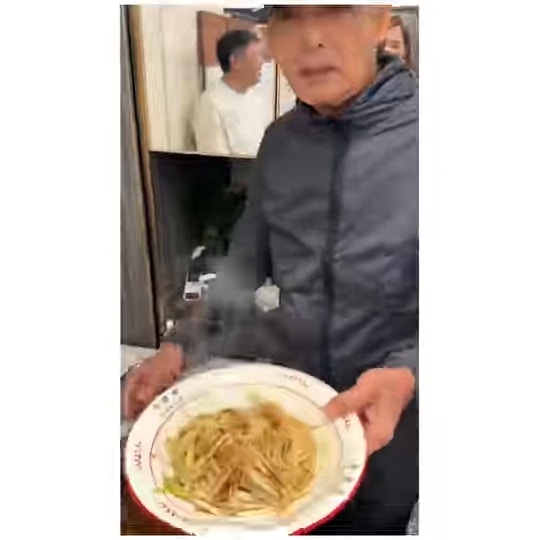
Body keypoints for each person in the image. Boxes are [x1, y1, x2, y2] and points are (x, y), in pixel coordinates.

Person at [124, 6, 418, 535]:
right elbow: (244, 264)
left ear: (380, 23)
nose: (310, 38)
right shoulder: (280, 142)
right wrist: (181, 345)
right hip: (290, 415)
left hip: (398, 426)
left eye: (335, 11)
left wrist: (409, 371)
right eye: (287, 16)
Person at [193, 29, 265, 156]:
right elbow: (215, 161)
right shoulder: (212, 103)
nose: (261, 62)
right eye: (256, 55)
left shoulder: (256, 98)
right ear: (234, 61)